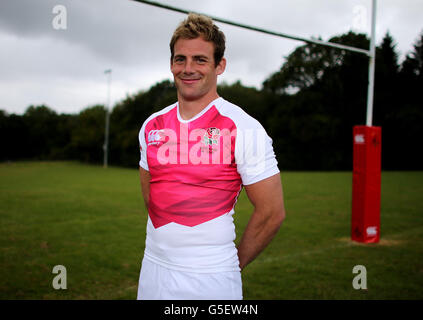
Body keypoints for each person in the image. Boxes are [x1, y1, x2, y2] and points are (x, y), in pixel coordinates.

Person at [137, 13, 285, 300]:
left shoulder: (244, 127)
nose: (188, 68)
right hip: (153, 271)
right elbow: (150, 196)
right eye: (180, 59)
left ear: (220, 66)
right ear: (171, 64)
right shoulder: (151, 125)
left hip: (211, 278)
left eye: (200, 60)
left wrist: (227, 266)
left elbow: (272, 213)